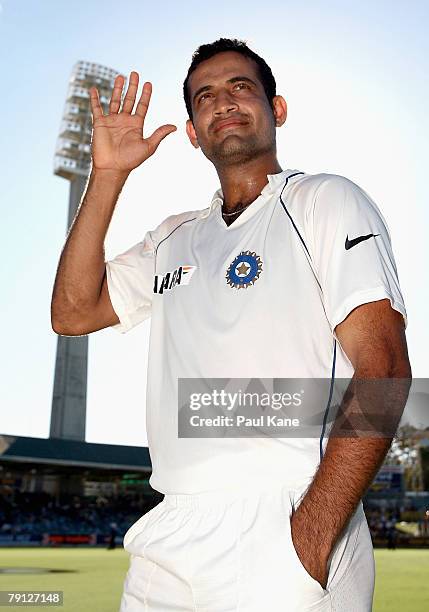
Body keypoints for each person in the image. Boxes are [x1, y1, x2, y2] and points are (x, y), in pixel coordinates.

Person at [51, 38, 412, 611]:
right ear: (192, 132)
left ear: (278, 109)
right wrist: (108, 175)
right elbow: (72, 313)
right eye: (205, 97)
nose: (223, 102)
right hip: (170, 523)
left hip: (290, 511)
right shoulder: (174, 235)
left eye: (241, 87)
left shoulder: (325, 200)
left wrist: (311, 536)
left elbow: (385, 369)